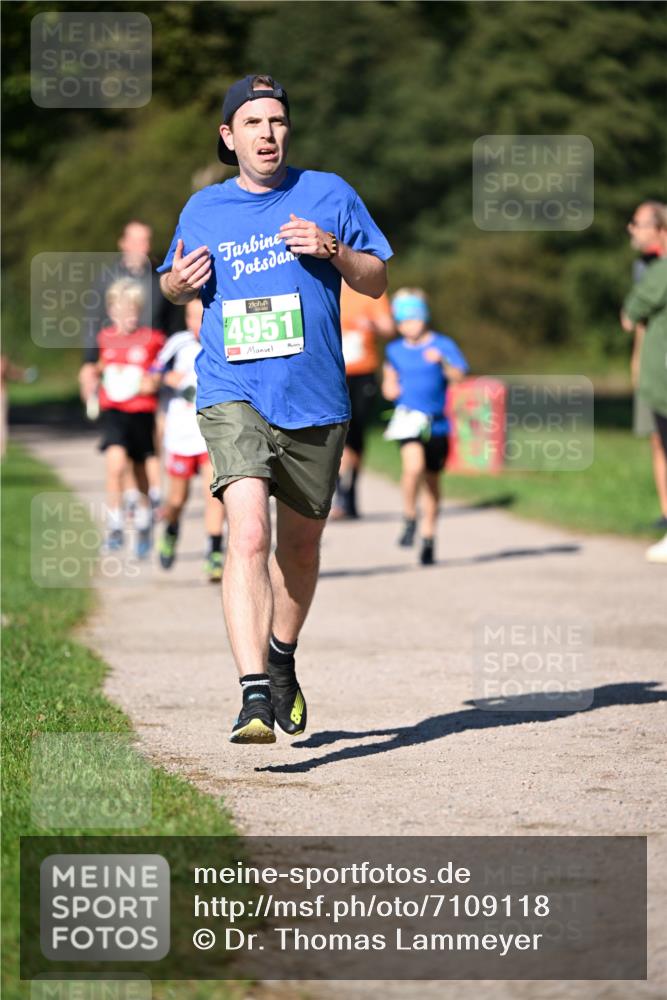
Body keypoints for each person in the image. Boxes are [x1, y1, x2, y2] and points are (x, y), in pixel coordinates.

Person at [158, 74, 392, 744]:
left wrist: (333, 250)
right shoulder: (203, 207)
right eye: (253, 123)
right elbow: (172, 281)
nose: (268, 133)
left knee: (300, 545)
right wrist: (180, 281)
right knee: (249, 535)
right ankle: (253, 693)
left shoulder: (328, 193)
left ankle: (282, 656)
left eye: (278, 121)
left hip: (315, 396)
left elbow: (376, 281)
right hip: (234, 390)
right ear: (229, 137)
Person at [78, 220, 183, 515]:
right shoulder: (107, 280)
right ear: (123, 244)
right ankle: (128, 499)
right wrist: (89, 364)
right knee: (121, 440)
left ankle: (151, 494)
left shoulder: (159, 280)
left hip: (155, 371)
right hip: (120, 373)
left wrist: (167, 370)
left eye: (146, 241)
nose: (141, 247)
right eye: (135, 241)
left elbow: (174, 328)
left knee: (154, 437)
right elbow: (93, 324)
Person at [382, 288, 467, 566]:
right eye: (403, 321)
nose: (409, 326)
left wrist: (442, 362)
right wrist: (390, 387)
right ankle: (409, 516)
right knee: (413, 468)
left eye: (414, 319)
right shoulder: (394, 350)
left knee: (432, 483)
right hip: (408, 420)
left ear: (425, 318)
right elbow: (388, 382)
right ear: (398, 323)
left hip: (438, 424)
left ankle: (428, 537)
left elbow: (459, 376)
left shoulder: (442, 345)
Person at [92, 278, 165, 558]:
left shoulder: (152, 339)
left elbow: (162, 367)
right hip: (114, 412)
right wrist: (93, 378)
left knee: (139, 471)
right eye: (123, 309)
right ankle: (115, 524)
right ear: (112, 311)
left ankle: (145, 520)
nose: (129, 315)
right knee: (115, 465)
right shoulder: (105, 338)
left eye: (134, 309)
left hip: (141, 412)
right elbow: (99, 366)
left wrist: (154, 381)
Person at [155, 298, 226, 582]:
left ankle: (214, 552)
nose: (197, 324)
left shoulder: (221, 339)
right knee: (176, 499)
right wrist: (167, 378)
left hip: (210, 434)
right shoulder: (178, 344)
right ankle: (171, 530)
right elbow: (151, 372)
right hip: (181, 436)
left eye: (202, 316)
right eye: (191, 317)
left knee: (214, 494)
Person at [621, 203, 667, 564]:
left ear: (659, 228)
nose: (631, 229)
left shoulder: (659, 269)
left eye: (637, 224)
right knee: (658, 442)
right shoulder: (647, 266)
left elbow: (631, 315)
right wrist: (638, 362)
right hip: (653, 368)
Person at [330, 281, 394, 519]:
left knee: (355, 434)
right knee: (334, 434)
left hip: (363, 372)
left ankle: (350, 491)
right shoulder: (323, 283)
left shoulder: (368, 289)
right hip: (330, 372)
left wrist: (373, 325)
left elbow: (389, 328)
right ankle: (337, 493)